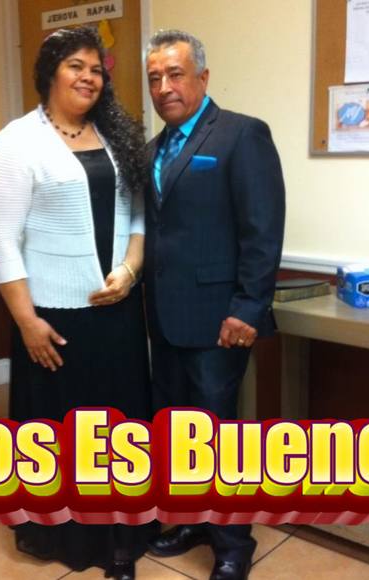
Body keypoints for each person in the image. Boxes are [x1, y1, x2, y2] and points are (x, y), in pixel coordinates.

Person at [0, 26, 157, 580]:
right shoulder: (18, 140)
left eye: (96, 69)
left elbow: (137, 216)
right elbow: (0, 238)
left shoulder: (114, 134)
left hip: (117, 310)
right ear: (50, 73)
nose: (88, 77)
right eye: (75, 66)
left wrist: (129, 270)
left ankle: (123, 538)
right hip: (53, 319)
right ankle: (74, 537)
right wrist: (26, 321)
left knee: (120, 428)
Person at [143, 30, 286, 580]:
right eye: (155, 78)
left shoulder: (241, 134)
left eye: (175, 74)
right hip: (164, 321)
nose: (164, 87)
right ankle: (192, 522)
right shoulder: (153, 150)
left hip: (218, 322)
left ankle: (233, 545)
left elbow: (262, 229)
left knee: (218, 436)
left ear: (202, 77)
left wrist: (248, 309)